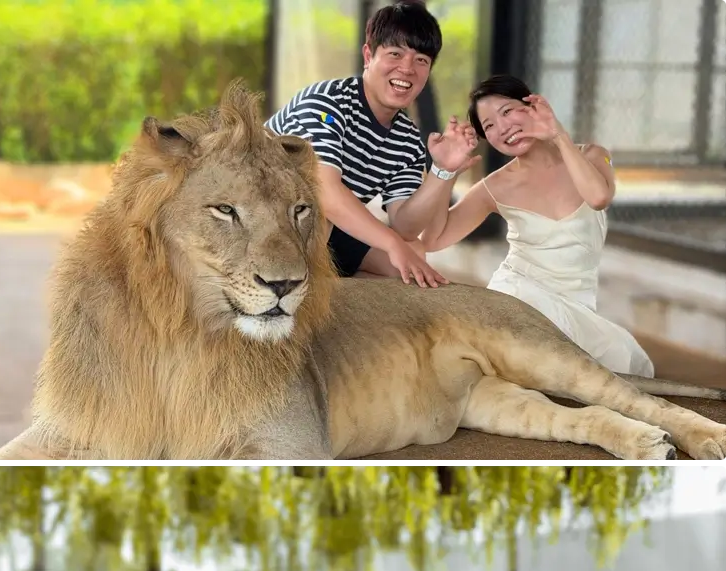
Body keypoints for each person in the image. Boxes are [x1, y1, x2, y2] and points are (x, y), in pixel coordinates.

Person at [421, 74, 654, 377]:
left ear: (532, 104)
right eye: (489, 125)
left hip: (579, 308)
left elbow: (598, 197)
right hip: (520, 293)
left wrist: (557, 134)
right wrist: (445, 171)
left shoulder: (593, 155)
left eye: (507, 111)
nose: (503, 128)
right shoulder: (495, 186)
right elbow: (433, 238)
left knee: (628, 364)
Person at [265, 2, 479, 288]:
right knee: (321, 218)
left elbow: (405, 226)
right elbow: (324, 191)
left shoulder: (407, 139)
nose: (407, 69)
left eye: (421, 61)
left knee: (413, 252)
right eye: (395, 54)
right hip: (265, 216)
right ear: (369, 55)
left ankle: (331, 298)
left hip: (326, 226)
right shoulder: (327, 102)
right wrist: (391, 243)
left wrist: (443, 170)